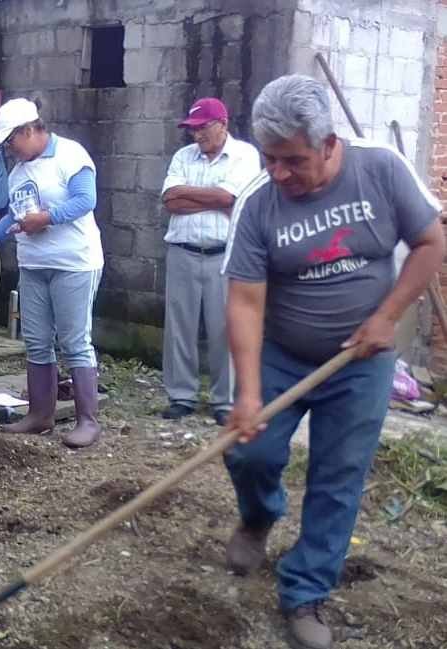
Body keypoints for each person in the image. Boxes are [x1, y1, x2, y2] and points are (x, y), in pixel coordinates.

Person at [222, 75, 444, 649]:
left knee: (337, 478)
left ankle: (305, 590)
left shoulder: (382, 169)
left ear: (328, 143)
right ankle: (260, 514)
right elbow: (245, 302)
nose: (278, 173)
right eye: (269, 158)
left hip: (362, 363)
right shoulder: (258, 202)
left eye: (292, 160)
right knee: (251, 451)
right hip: (283, 355)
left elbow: (431, 243)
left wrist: (389, 316)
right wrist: (248, 393)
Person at [0, 98, 104, 448]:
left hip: (73, 262)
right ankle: (39, 415)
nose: (9, 148)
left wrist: (46, 218)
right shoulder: (19, 170)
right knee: (36, 340)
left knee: (74, 341)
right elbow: (14, 215)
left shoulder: (71, 155)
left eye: (11, 140)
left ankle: (87, 421)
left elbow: (86, 200)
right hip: (34, 264)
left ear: (30, 130)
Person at [160, 97, 261, 426]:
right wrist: (216, 198)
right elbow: (170, 201)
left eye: (203, 127)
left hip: (225, 253)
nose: (197, 135)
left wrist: (194, 194)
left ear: (223, 124)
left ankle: (224, 400)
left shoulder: (245, 154)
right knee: (180, 328)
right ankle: (181, 396)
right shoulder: (182, 156)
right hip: (183, 250)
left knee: (225, 328)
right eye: (193, 129)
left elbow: (232, 198)